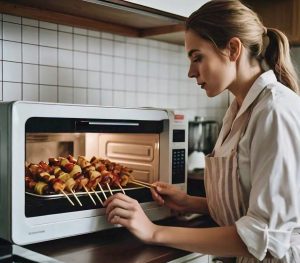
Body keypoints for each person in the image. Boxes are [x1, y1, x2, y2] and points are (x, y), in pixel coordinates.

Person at [104, 0, 300, 262]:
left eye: (198, 57)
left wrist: (153, 232)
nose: (190, 72)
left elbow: (263, 233)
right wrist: (189, 202)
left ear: (232, 49)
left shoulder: (274, 110)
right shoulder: (238, 110)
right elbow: (246, 203)